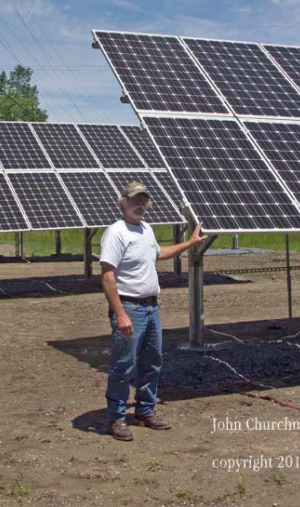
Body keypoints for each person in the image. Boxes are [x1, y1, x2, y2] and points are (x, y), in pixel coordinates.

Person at [100, 180, 207, 441]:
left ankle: (145, 411)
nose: (140, 205)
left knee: (152, 363)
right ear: (123, 202)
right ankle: (116, 417)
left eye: (144, 200)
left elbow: (159, 253)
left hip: (151, 308)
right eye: (135, 200)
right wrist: (121, 314)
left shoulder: (146, 230)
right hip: (130, 308)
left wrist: (190, 243)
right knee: (124, 366)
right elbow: (107, 276)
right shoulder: (116, 233)